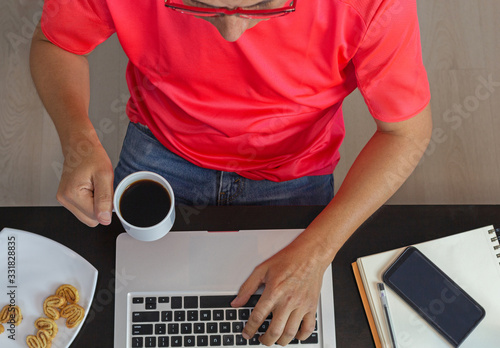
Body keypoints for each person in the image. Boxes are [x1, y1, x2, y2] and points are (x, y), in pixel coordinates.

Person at [30, 0, 432, 345]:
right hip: (162, 146)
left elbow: (405, 133)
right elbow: (55, 43)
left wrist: (318, 254)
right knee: (122, 304)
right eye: (202, 5)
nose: (233, 33)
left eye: (262, 5)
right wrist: (77, 140)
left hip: (295, 168)